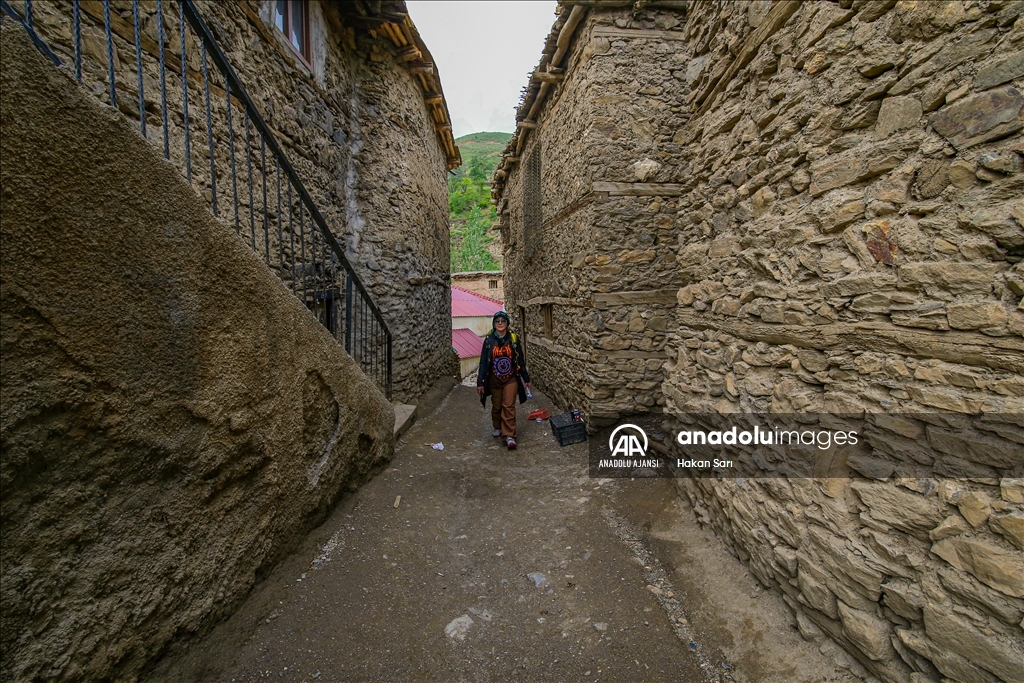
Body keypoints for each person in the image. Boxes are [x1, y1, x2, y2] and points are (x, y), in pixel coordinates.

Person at [477, 311, 531, 449]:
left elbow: (520, 360)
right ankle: (497, 425)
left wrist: (526, 378)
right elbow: (483, 362)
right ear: (494, 324)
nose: (500, 323)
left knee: (509, 405)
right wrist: (480, 382)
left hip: (510, 378)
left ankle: (509, 436)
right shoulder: (489, 341)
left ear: (507, 323)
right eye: (497, 321)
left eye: (503, 321)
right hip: (494, 379)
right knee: (497, 406)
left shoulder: (513, 339)